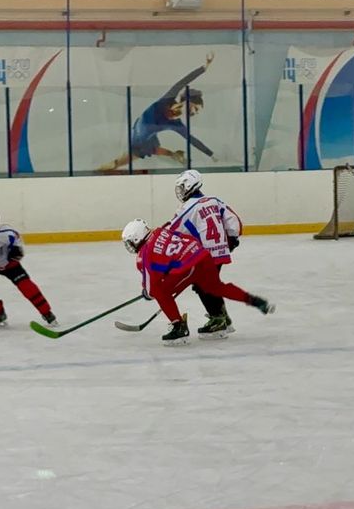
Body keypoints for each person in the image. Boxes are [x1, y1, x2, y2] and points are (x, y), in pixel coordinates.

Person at [122, 219, 275, 345]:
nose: (130, 246)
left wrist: (147, 293)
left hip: (188, 266)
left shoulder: (144, 255)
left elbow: (151, 288)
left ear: (136, 238)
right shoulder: (160, 230)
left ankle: (178, 327)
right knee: (216, 287)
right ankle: (254, 300)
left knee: (159, 292)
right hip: (202, 255)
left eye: (130, 242)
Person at [97, 53, 216, 172]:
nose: (194, 113)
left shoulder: (177, 124)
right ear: (189, 101)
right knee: (140, 152)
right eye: (196, 108)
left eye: (196, 112)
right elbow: (183, 82)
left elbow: (192, 140)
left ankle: (173, 155)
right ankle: (173, 155)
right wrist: (204, 68)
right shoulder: (168, 99)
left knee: (149, 149)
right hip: (140, 134)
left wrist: (210, 154)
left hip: (144, 134)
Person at [167, 169, 243, 338]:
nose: (180, 191)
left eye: (182, 187)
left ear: (190, 186)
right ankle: (223, 318)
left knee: (203, 285)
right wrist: (232, 238)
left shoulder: (187, 208)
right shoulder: (214, 200)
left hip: (205, 254)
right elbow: (233, 220)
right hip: (221, 250)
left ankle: (218, 320)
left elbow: (173, 231)